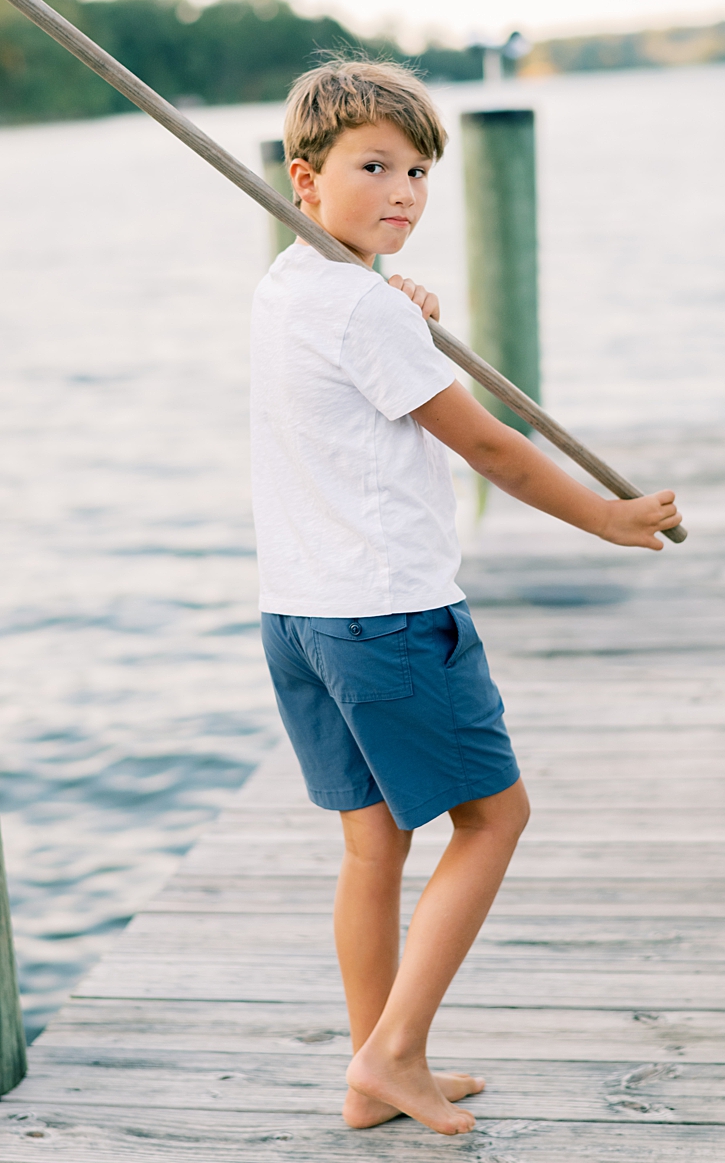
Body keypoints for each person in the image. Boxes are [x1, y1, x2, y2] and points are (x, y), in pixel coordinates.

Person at [252, 59, 680, 1135]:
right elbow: (489, 444)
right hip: (390, 614)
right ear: (304, 181)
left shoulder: (286, 288)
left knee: (371, 846)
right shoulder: (365, 310)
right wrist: (606, 516)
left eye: (419, 171)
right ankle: (392, 1051)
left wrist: (392, 298)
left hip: (298, 615)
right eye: (373, 167)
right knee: (494, 816)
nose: (403, 190)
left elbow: (351, 359)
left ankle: (373, 1069)